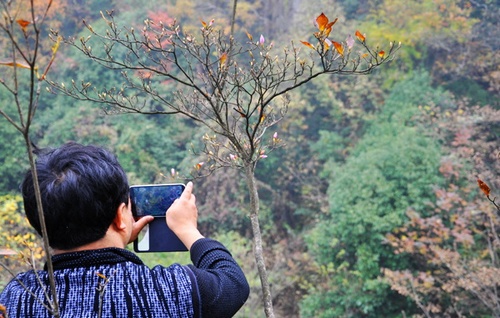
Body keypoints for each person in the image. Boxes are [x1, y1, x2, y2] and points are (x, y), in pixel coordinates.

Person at [0, 142, 249, 317]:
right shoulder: (167, 291)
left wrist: (115, 237)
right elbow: (233, 283)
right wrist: (187, 230)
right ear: (121, 216)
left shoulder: (17, 297)